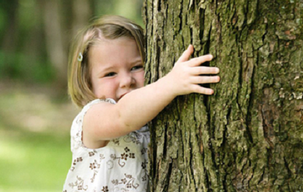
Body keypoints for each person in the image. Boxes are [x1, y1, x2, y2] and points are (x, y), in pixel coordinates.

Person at [63, 15, 220, 192]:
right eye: (110, 74)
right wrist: (170, 83)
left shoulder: (148, 115)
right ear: (87, 82)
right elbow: (122, 116)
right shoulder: (92, 117)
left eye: (136, 67)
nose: (126, 81)